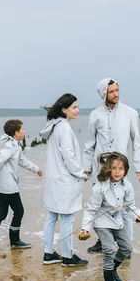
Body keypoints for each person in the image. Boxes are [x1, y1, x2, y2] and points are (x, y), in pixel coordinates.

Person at [83, 78, 140, 253]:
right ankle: (102, 240)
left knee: (124, 207)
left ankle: (126, 244)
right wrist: (86, 168)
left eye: (117, 90)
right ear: (104, 94)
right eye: (111, 91)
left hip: (120, 169)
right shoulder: (95, 115)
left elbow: (137, 142)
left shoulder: (130, 113)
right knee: (99, 206)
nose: (116, 94)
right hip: (101, 169)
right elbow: (89, 144)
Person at [80, 152, 140, 281]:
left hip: (118, 221)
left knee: (127, 248)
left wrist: (138, 215)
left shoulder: (127, 185)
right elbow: (90, 210)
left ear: (125, 171)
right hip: (102, 223)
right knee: (109, 249)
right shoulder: (100, 187)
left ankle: (113, 269)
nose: (117, 172)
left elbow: (130, 205)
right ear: (108, 169)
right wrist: (85, 228)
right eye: (114, 168)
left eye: (120, 169)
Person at [0, 119, 43, 255]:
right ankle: (13, 241)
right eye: (22, 129)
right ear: (16, 133)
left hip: (3, 185)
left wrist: (35, 169)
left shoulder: (15, 145)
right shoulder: (9, 147)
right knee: (18, 211)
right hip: (8, 186)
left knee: (2, 213)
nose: (24, 132)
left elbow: (22, 161)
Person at [40, 93, 88, 267]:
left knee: (51, 217)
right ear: (64, 109)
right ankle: (68, 256)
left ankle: (48, 253)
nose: (77, 110)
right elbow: (68, 156)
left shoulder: (54, 126)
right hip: (64, 179)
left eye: (77, 106)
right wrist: (80, 172)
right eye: (74, 107)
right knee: (67, 219)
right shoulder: (64, 128)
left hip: (54, 178)